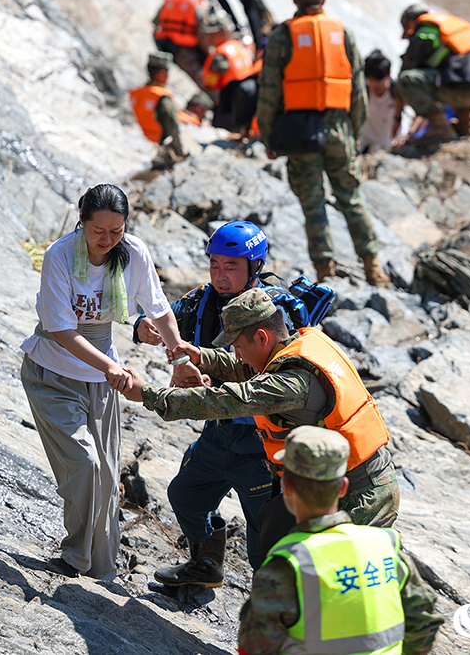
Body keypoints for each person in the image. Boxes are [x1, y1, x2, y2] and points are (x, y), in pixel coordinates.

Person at [121, 288, 400, 562]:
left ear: (262, 337)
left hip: (362, 493)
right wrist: (200, 356)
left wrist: (147, 393)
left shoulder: (289, 384)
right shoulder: (299, 344)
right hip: (332, 483)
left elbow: (224, 401)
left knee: (337, 580)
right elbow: (248, 369)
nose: (237, 354)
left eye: (238, 346)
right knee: (278, 547)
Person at [20, 183, 185, 580]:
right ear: (82, 221)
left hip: (100, 380)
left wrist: (178, 354)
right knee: (85, 465)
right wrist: (110, 368)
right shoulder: (60, 256)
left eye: (117, 232)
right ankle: (75, 555)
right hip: (54, 375)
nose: (107, 241)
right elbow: (61, 329)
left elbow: (158, 308)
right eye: (99, 232)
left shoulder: (135, 254)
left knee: (109, 479)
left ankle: (101, 569)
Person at [134, 221, 283, 587]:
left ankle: (278, 615)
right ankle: (205, 565)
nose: (221, 275)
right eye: (215, 264)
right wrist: (143, 327)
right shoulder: (201, 301)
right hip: (218, 432)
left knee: (264, 535)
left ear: (254, 267)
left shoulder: (272, 310)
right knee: (185, 494)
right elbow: (161, 314)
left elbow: (272, 377)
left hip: (261, 443)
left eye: (231, 266)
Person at [238, 426, 443, 655]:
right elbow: (425, 623)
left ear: (286, 486)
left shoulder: (287, 566)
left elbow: (252, 647)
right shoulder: (386, 545)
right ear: (343, 487)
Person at [256, 0, 389, 287]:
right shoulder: (342, 33)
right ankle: (373, 267)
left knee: (313, 203)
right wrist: (353, 131)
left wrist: (268, 135)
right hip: (339, 128)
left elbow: (269, 92)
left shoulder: (283, 35)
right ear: (323, 0)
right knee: (351, 196)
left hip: (299, 132)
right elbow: (358, 89)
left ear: (294, 0)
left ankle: (325, 272)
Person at [393, 5, 470, 146]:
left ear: (410, 23)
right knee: (455, 77)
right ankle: (465, 127)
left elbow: (407, 79)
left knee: (406, 80)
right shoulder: (449, 27)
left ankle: (441, 129)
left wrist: (398, 121)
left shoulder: (424, 33)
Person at [153, 0, 211, 88]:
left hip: (164, 42)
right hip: (185, 48)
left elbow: (156, 20)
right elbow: (201, 27)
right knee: (202, 77)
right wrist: (207, 50)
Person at [200, 12, 256, 122]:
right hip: (247, 104)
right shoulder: (240, 46)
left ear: (224, 32)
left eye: (212, 34)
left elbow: (212, 87)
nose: (209, 37)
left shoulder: (220, 55)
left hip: (228, 109)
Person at [129, 51, 185, 157]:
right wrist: (179, 153)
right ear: (161, 73)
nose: (168, 76)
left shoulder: (134, 92)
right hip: (154, 148)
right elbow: (173, 126)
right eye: (167, 72)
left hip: (132, 141)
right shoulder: (162, 96)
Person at [359, 50, 398, 153]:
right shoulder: (363, 91)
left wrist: (409, 134)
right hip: (366, 142)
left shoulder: (397, 92)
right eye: (371, 80)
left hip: (390, 144)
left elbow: (421, 112)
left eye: (379, 80)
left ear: (388, 74)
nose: (375, 85)